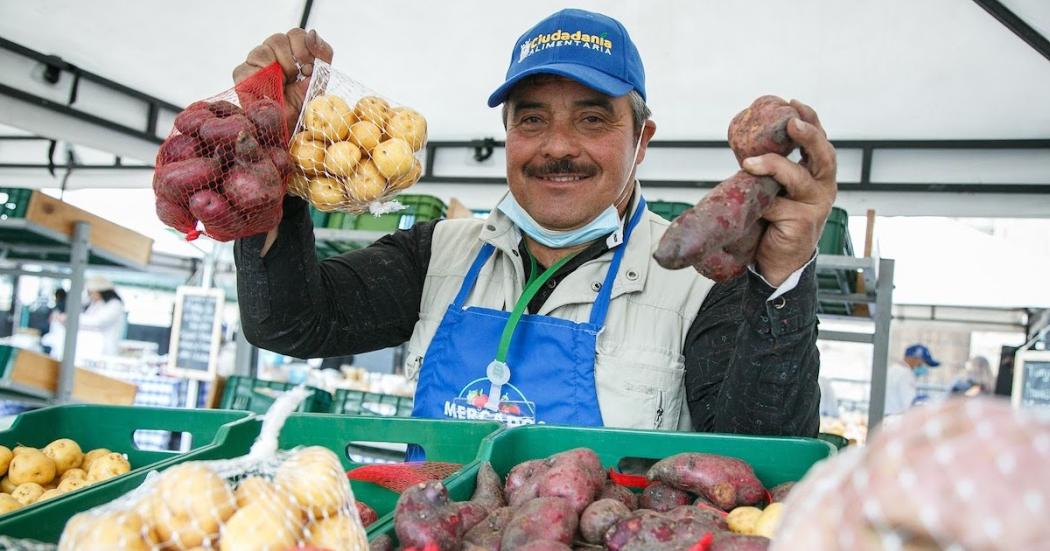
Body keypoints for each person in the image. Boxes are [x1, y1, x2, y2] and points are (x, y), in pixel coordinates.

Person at [233, 9, 837, 435]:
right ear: (506, 134)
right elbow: (289, 324)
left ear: (642, 140)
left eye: (593, 120)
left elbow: (759, 452)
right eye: (531, 120)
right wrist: (267, 163)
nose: (557, 147)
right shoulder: (437, 253)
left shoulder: (702, 284)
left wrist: (783, 277)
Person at [73, 276, 126, 359]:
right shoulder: (96, 304)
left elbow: (97, 322)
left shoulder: (114, 305)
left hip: (105, 350)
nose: (90, 296)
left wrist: (72, 318)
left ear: (101, 291)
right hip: (89, 348)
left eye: (91, 293)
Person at [884, 343, 940, 415]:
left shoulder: (892, 369)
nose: (925, 367)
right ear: (915, 359)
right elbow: (910, 405)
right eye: (924, 363)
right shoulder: (906, 374)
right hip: (895, 419)